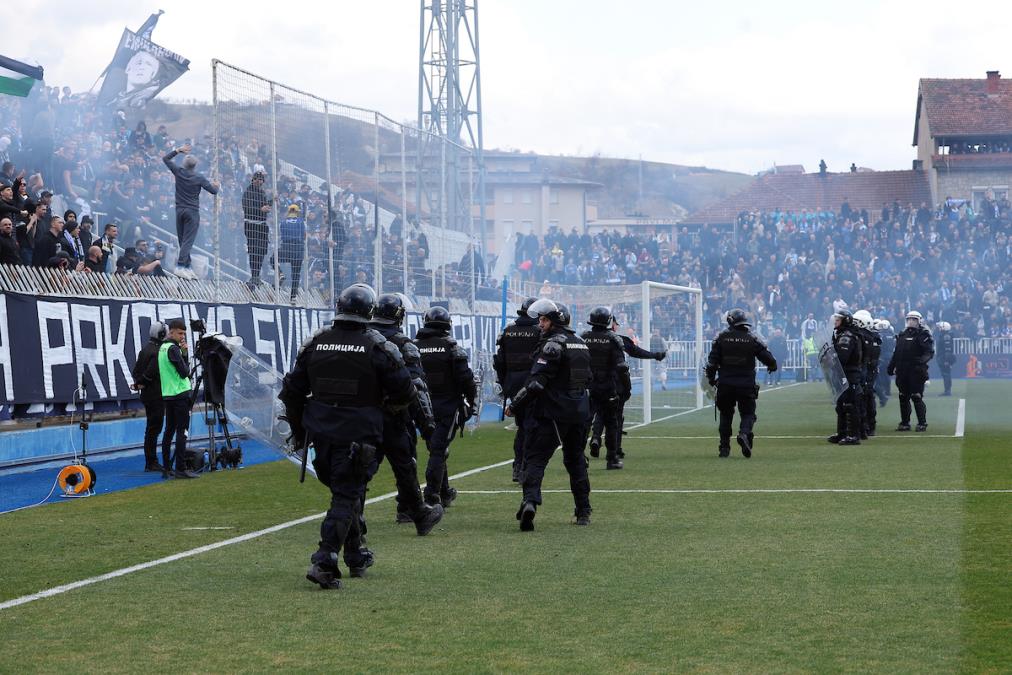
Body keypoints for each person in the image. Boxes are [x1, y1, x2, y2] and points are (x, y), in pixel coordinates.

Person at [279, 284, 417, 589]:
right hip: (359, 435)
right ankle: (325, 560)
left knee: (346, 494)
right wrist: (381, 411)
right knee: (346, 496)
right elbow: (406, 392)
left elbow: (291, 392)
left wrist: (301, 432)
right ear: (369, 311)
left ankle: (355, 555)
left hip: (322, 437)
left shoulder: (317, 343)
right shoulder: (378, 346)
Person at [508, 298, 592, 530]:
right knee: (576, 461)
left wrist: (514, 405)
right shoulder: (581, 344)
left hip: (552, 412)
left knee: (535, 458)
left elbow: (536, 384)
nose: (540, 323)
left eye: (544, 319)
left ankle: (530, 503)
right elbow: (589, 380)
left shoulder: (552, 345)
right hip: (578, 412)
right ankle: (583, 511)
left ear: (555, 321)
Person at [367, 293, 444, 534]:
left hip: (362, 417)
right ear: (399, 316)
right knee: (405, 464)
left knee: (362, 468)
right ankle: (414, 512)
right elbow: (416, 390)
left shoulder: (361, 338)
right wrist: (428, 426)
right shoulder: (402, 344)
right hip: (394, 416)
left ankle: (353, 514)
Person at [414, 307, 477, 507]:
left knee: (436, 446)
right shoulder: (451, 348)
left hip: (421, 407)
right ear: (448, 325)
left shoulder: (413, 347)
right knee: (438, 450)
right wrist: (471, 399)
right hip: (446, 406)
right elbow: (465, 378)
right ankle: (432, 495)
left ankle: (444, 491)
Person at [704, 308, 778, 458]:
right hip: (746, 385)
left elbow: (711, 364)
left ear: (730, 321)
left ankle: (724, 448)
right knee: (748, 413)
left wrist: (711, 380)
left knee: (726, 414)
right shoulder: (752, 338)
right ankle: (744, 434)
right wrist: (772, 366)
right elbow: (769, 358)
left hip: (725, 384)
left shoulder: (721, 338)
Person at [493, 297, 541, 482]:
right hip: (532, 384)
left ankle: (518, 466)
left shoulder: (507, 331)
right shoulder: (539, 332)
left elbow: (499, 362)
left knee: (522, 427)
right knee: (530, 427)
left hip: (513, 384)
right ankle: (524, 467)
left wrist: (506, 385)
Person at [148, 318, 200, 479]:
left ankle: (167, 468)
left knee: (169, 431)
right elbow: (185, 372)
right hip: (180, 394)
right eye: (180, 333)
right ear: (171, 332)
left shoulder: (162, 348)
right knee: (181, 431)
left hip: (168, 395)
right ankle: (180, 468)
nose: (182, 336)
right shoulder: (173, 349)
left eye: (184, 333)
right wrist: (185, 354)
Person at [581, 306, 628, 470]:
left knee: (584, 422)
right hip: (608, 387)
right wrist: (626, 389)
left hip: (587, 387)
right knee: (611, 423)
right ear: (608, 321)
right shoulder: (613, 339)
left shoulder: (583, 338)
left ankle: (580, 457)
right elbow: (622, 367)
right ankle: (612, 458)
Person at [162, 143, 219, 279]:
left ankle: (187, 266)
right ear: (195, 165)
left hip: (179, 210)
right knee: (187, 241)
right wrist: (217, 185)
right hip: (192, 211)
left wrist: (178, 150)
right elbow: (213, 191)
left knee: (182, 240)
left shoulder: (179, 172)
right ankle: (181, 266)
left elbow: (165, 159)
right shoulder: (199, 177)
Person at [887, 310, 934, 432]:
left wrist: (921, 362)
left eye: (914, 319)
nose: (911, 322)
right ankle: (905, 423)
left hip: (917, 371)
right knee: (903, 397)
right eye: (909, 319)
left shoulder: (923, 334)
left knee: (916, 396)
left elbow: (929, 352)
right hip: (902, 371)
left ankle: (922, 423)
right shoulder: (902, 334)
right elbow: (896, 353)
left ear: (919, 321)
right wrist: (891, 367)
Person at [132, 321, 167, 472]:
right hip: (156, 395)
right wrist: (143, 383)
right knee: (154, 429)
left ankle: (151, 461)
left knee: (151, 429)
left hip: (148, 396)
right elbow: (150, 373)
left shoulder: (145, 349)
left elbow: (136, 372)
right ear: (162, 334)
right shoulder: (158, 351)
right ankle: (151, 462)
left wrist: (139, 383)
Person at [827, 308, 864, 445]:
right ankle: (842, 433)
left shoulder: (847, 336)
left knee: (850, 404)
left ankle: (853, 435)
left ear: (845, 320)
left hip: (849, 373)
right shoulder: (841, 334)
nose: (835, 321)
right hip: (844, 373)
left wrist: (830, 357)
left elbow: (842, 357)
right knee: (841, 403)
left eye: (838, 319)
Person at [852, 310, 880, 437]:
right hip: (866, 371)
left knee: (867, 398)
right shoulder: (869, 337)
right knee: (866, 398)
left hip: (867, 371)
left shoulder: (869, 338)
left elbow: (870, 359)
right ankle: (866, 425)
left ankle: (868, 425)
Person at [241, 171, 272, 287]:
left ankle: (257, 276)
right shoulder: (248, 193)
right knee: (253, 251)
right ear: (252, 180)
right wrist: (261, 210)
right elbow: (247, 208)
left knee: (262, 251)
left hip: (262, 226)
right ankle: (254, 276)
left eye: (261, 179)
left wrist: (272, 202)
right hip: (252, 226)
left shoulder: (262, 192)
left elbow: (264, 206)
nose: (259, 181)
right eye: (256, 179)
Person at [279, 204, 305, 302]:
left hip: (286, 247)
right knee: (296, 273)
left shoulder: (283, 222)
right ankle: (293, 296)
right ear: (297, 212)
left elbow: (282, 234)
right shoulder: (301, 222)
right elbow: (304, 235)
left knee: (273, 259)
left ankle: (280, 273)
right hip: (298, 249)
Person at [935, 321, 954, 396]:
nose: (939, 328)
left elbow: (947, 349)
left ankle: (947, 391)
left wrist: (946, 360)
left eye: (940, 327)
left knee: (946, 374)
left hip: (944, 358)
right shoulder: (944, 335)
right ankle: (947, 390)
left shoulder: (946, 336)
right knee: (945, 374)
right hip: (943, 357)